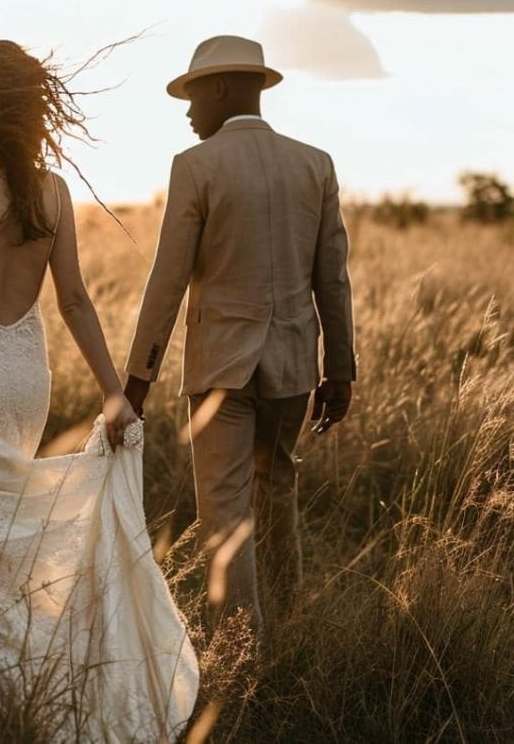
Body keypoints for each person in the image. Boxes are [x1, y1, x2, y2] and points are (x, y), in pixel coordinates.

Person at [0, 40, 199, 741]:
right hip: (27, 377)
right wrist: (114, 392)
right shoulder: (53, 190)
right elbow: (77, 301)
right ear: (33, 108)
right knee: (3, 536)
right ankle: (21, 679)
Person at [124, 35, 356, 633]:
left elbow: (167, 280)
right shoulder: (315, 162)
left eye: (192, 95)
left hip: (222, 371)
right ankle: (287, 621)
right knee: (277, 488)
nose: (188, 110)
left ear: (222, 88)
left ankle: (237, 651)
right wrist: (340, 369)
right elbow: (333, 276)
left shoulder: (195, 166)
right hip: (294, 368)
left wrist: (136, 382)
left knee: (225, 509)